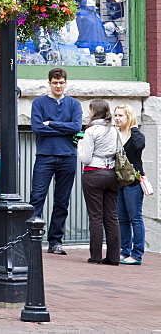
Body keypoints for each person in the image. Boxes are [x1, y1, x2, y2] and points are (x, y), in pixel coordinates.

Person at [29, 67, 82, 255]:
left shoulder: (74, 104)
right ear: (49, 83)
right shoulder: (39, 103)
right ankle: (31, 238)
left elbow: (76, 127)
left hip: (68, 157)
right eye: (55, 82)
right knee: (37, 197)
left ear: (66, 83)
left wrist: (51, 123)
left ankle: (55, 241)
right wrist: (65, 130)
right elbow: (37, 128)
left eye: (61, 82)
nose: (58, 85)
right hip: (45, 156)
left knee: (62, 201)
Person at [77, 99, 122, 265]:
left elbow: (85, 158)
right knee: (111, 217)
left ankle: (95, 256)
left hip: (93, 174)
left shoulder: (91, 131)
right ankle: (114, 257)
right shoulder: (114, 130)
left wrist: (79, 145)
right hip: (111, 174)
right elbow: (118, 151)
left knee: (95, 216)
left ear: (94, 112)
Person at [113, 104, 145, 265]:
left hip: (133, 182)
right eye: (116, 115)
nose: (117, 118)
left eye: (121, 116)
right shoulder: (115, 134)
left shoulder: (135, 135)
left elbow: (140, 146)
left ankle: (137, 254)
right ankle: (124, 251)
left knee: (135, 218)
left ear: (129, 117)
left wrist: (133, 127)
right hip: (119, 182)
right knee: (122, 219)